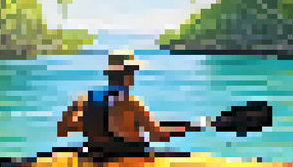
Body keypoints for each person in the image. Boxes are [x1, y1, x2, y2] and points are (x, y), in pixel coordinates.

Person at [56, 50, 200, 158]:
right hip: (131, 159)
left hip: (96, 156)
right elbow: (158, 136)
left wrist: (88, 123)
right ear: (129, 76)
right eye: (133, 72)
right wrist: (186, 129)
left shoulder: (84, 100)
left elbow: (62, 130)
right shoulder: (133, 104)